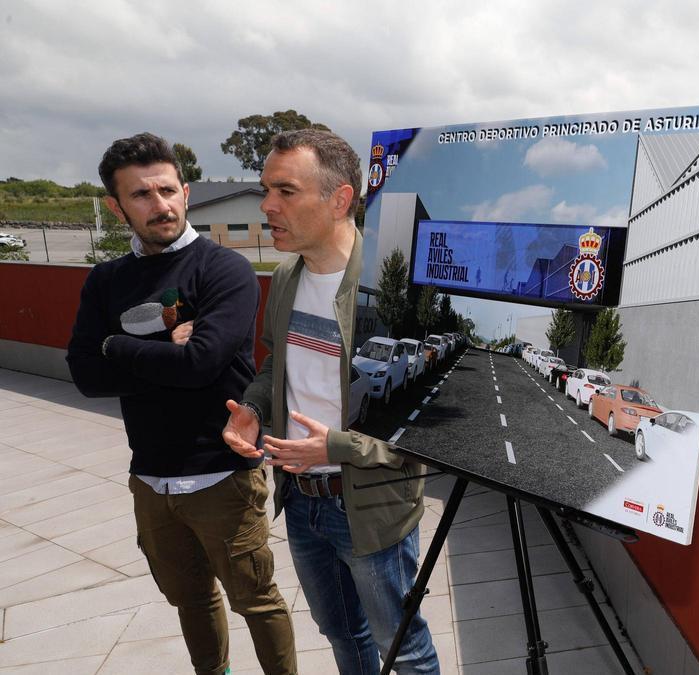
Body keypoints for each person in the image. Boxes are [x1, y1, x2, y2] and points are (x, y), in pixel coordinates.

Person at [66, 133, 296, 675]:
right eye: (142, 195)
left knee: (255, 601)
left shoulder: (224, 270)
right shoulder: (107, 280)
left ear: (186, 192)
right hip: (149, 480)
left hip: (222, 477)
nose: (160, 205)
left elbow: (202, 366)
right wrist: (159, 354)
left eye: (168, 190)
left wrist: (116, 347)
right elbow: (84, 376)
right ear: (115, 206)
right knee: (191, 601)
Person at [222, 128, 439, 674]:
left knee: (402, 647)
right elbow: (278, 366)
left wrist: (334, 448)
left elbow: (428, 420)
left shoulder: (399, 287)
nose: (268, 205)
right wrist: (253, 407)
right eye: (266, 189)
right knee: (342, 633)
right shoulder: (288, 274)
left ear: (340, 199)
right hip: (299, 499)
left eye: (286, 191)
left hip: (370, 505)